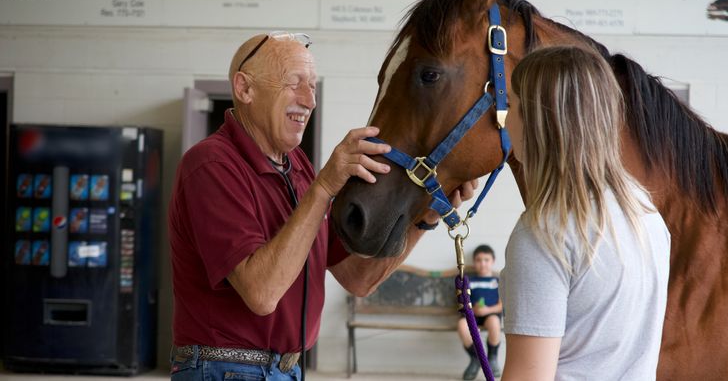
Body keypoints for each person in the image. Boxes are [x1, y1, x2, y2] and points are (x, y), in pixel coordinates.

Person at [167, 32, 476, 380]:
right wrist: (325, 187)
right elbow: (261, 292)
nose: (309, 100)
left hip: (284, 369)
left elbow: (358, 278)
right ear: (245, 88)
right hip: (225, 369)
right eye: (294, 83)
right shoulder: (211, 164)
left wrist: (427, 216)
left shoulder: (298, 167)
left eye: (312, 86)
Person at [499, 46, 671, 380]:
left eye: (512, 105)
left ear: (537, 120)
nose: (505, 120)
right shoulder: (645, 212)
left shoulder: (544, 235)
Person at [458, 244, 502, 380]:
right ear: (474, 262)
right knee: (462, 325)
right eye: (478, 260)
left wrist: (488, 310)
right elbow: (462, 301)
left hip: (491, 314)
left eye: (486, 260)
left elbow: (501, 306)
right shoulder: (468, 280)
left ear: (493, 261)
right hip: (472, 315)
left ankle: (492, 356)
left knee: (495, 323)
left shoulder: (497, 281)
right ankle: (476, 358)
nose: (482, 263)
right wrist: (473, 310)